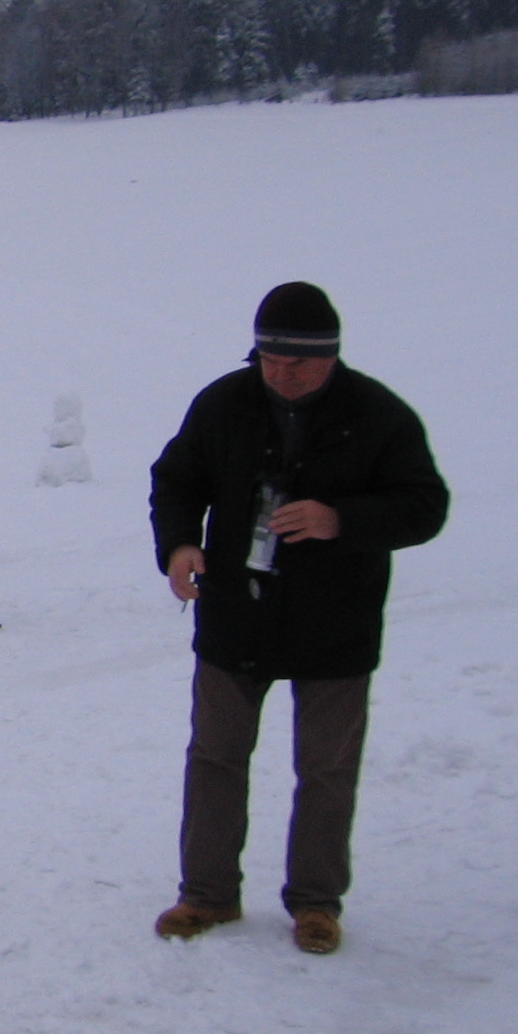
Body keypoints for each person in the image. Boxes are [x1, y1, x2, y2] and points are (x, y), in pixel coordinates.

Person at [148, 282, 449, 955]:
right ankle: (207, 894)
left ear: (331, 358)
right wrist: (178, 544)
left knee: (327, 768)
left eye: (298, 365)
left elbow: (426, 505)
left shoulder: (379, 415)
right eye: (269, 361)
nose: (280, 375)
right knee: (216, 756)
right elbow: (176, 480)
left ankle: (316, 903)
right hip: (234, 613)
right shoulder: (224, 402)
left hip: (336, 624)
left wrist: (341, 519)